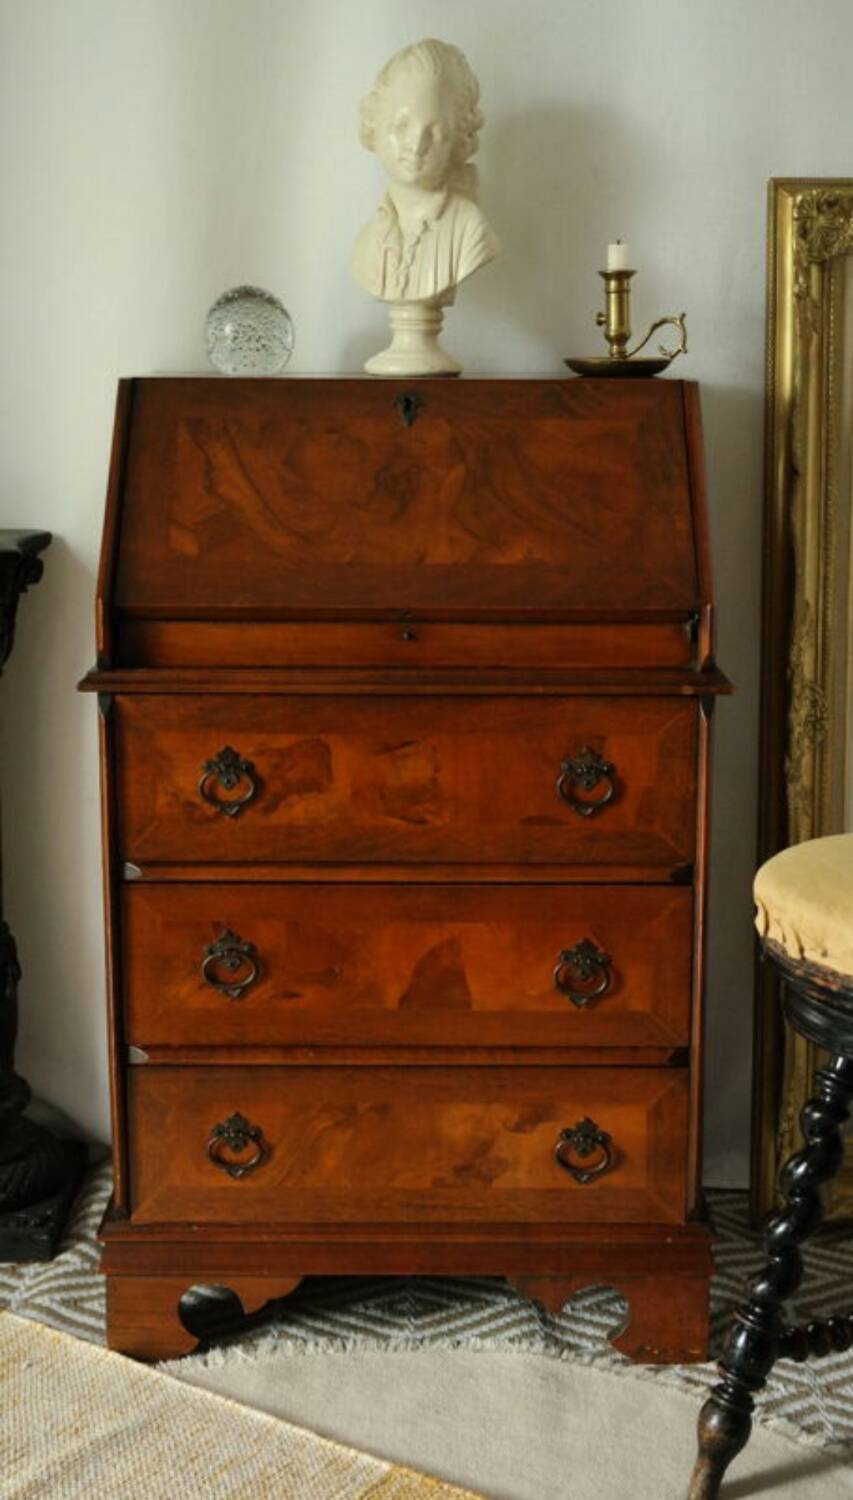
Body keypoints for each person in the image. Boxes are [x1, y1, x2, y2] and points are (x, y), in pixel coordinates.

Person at [351, 39, 500, 306]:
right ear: (374, 125)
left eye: (436, 131)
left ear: (458, 139)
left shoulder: (470, 231)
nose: (417, 145)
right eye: (401, 126)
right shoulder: (366, 242)